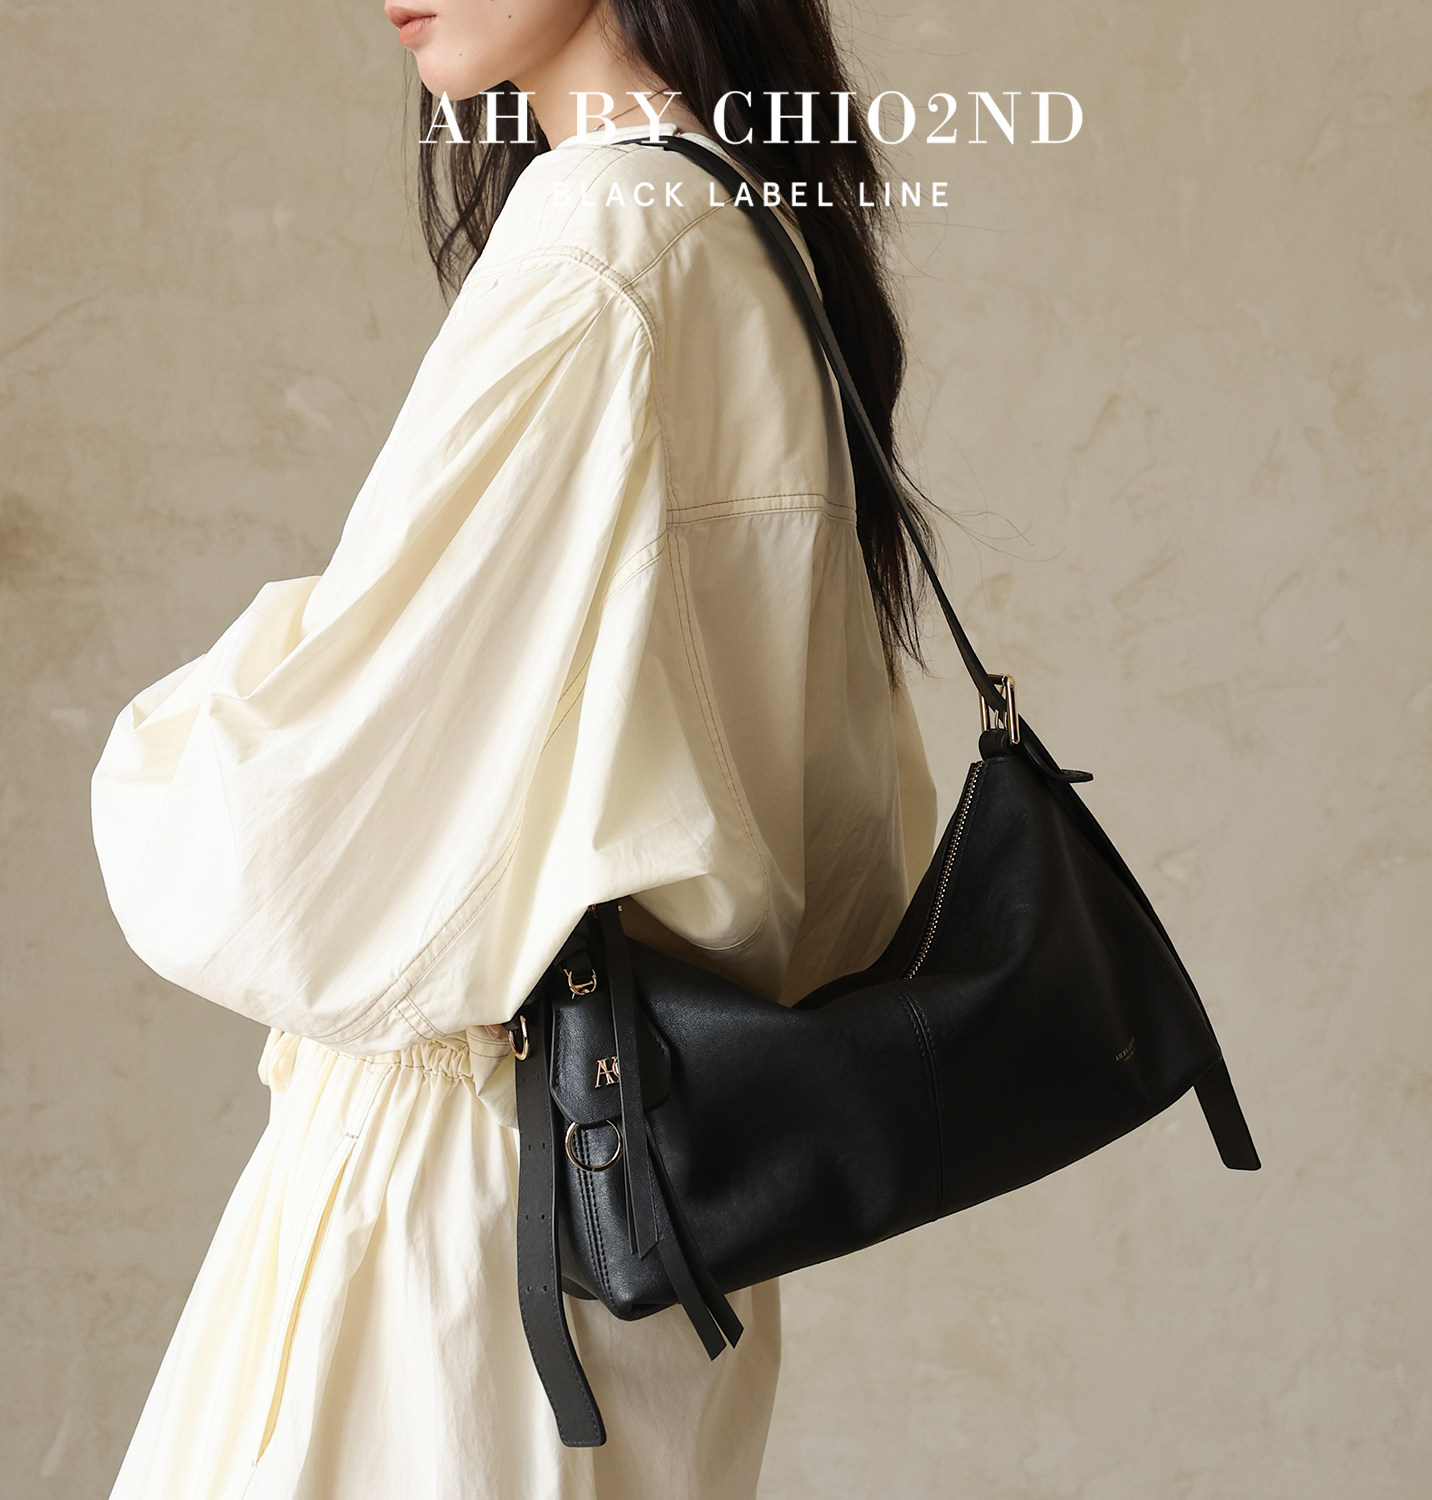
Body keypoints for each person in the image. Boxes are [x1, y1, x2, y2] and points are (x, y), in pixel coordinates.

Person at [92, 1, 938, 1495]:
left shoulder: (603, 244)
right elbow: (847, 853)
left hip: (471, 1225)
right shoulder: (738, 226)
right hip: (641, 1234)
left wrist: (170, 739)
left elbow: (297, 834)